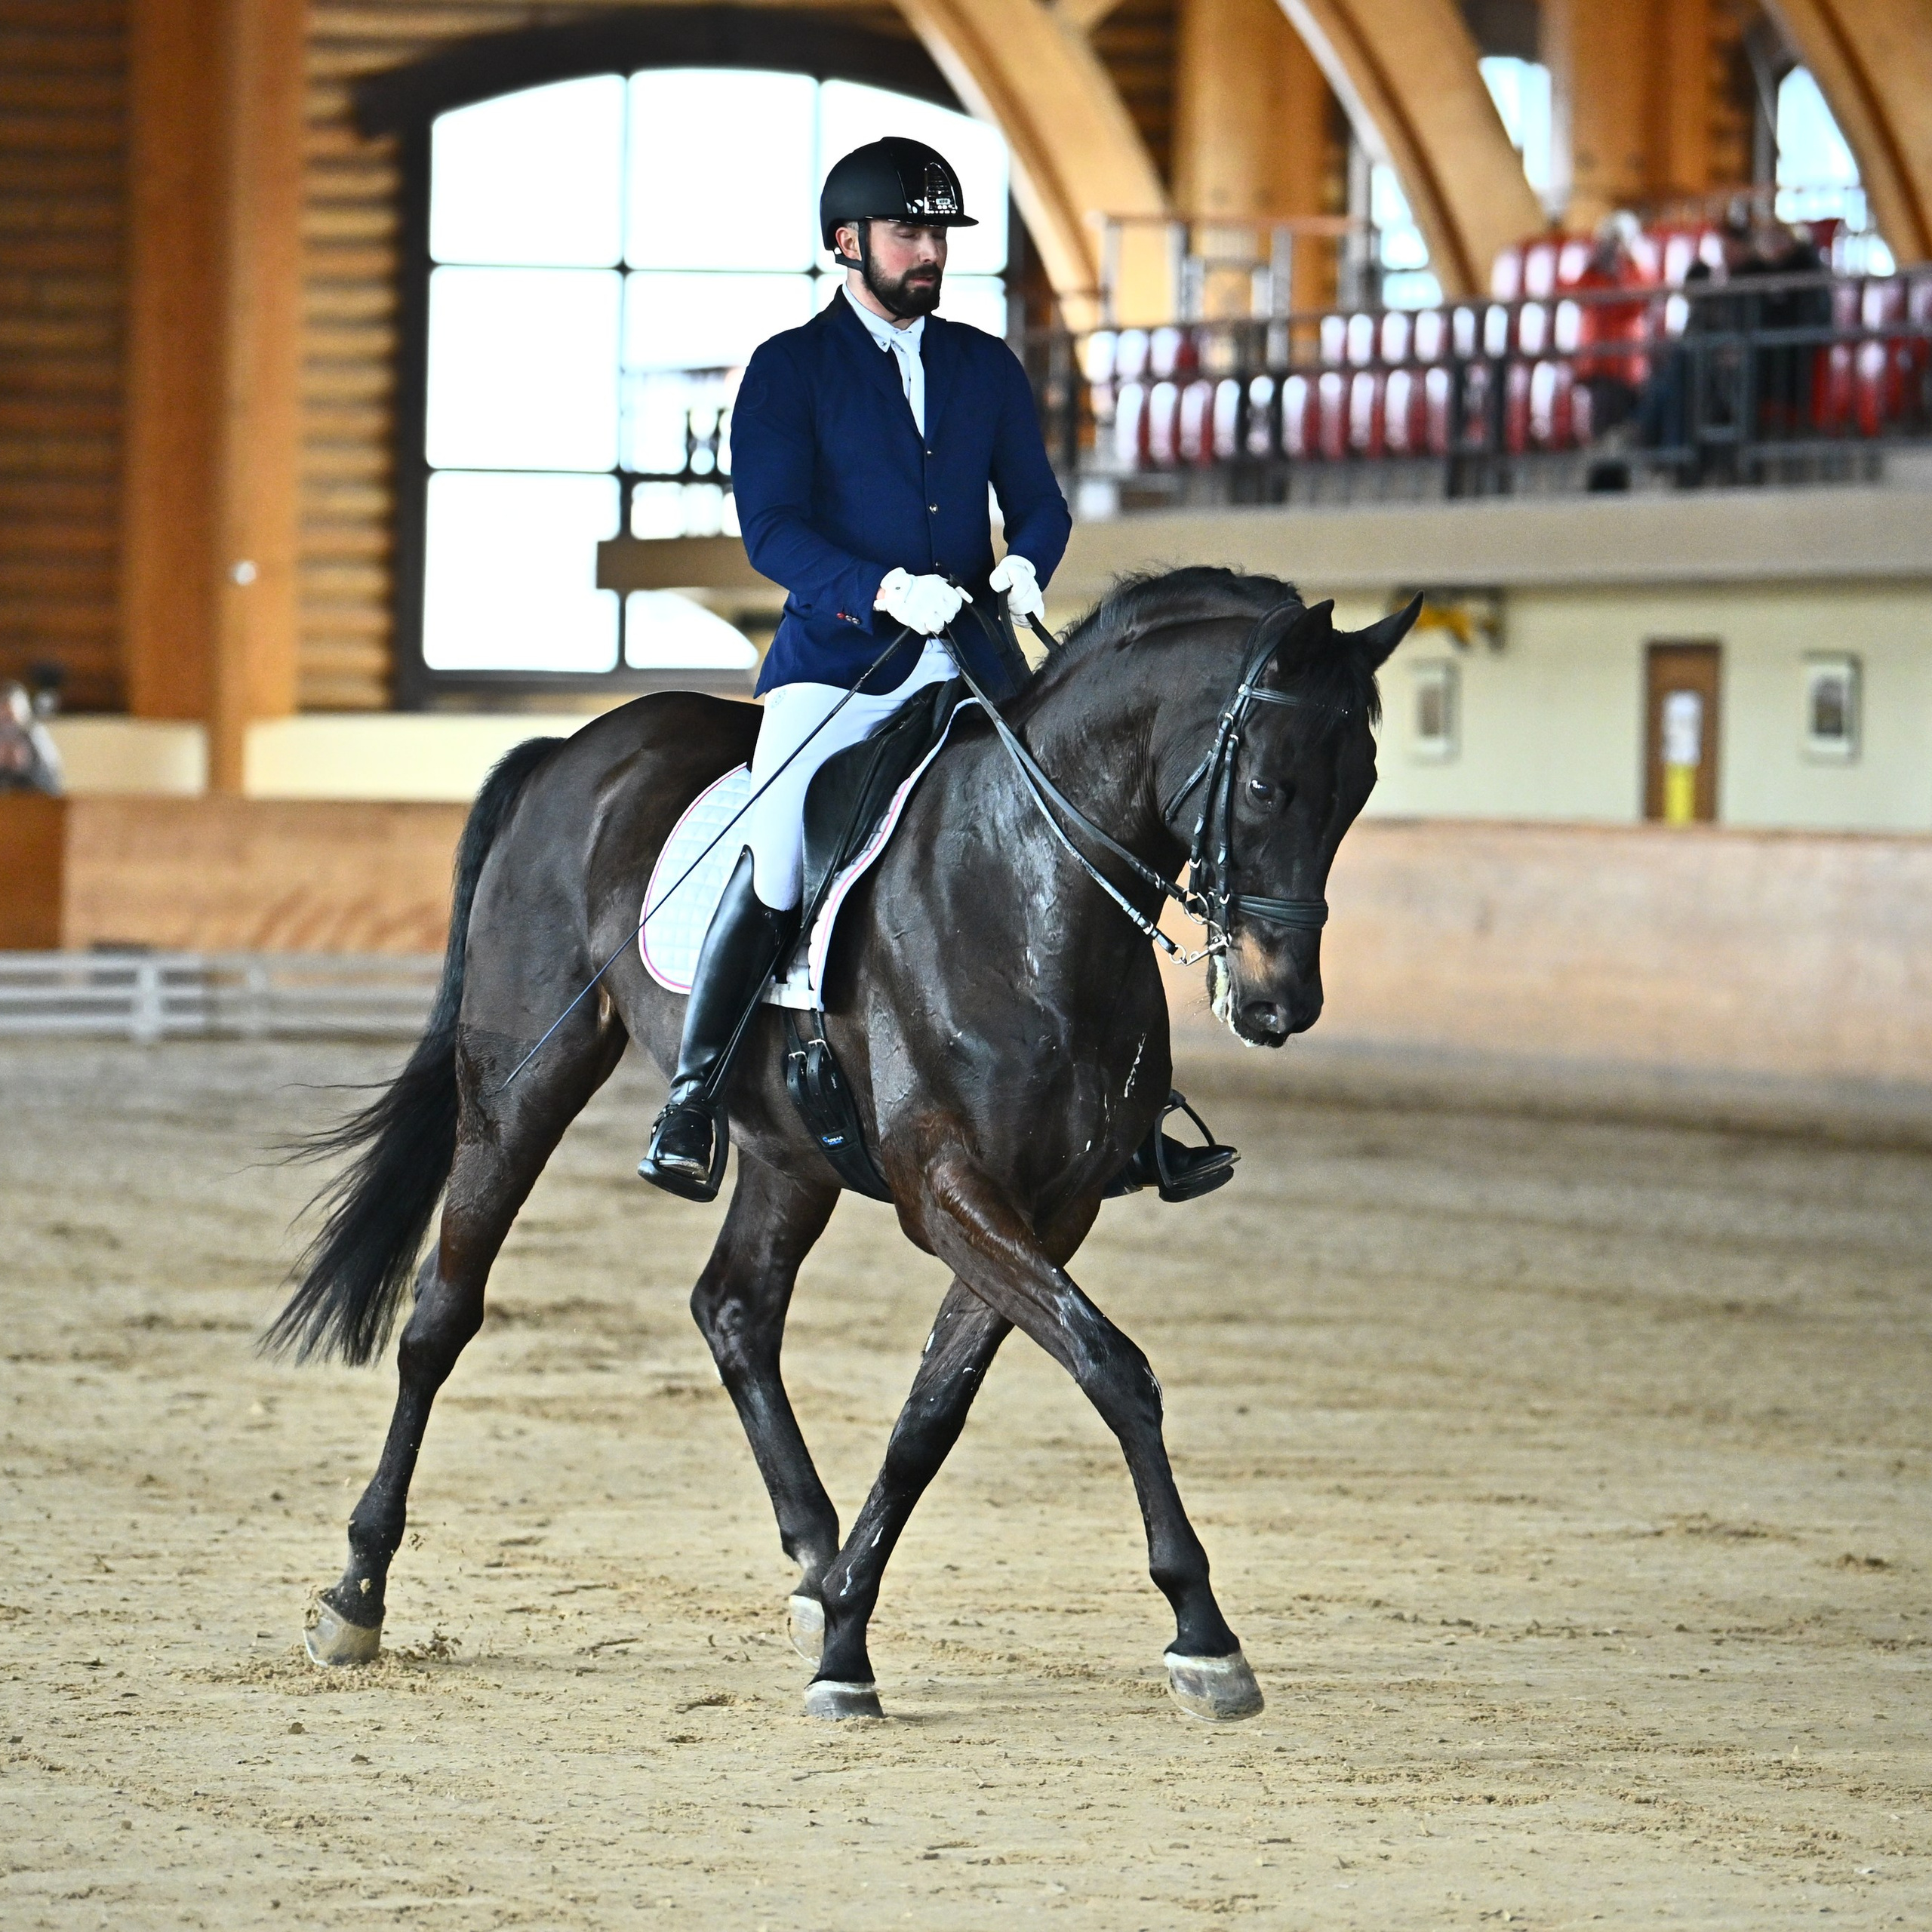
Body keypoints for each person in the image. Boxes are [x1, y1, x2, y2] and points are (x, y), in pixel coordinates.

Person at [638, 137, 1235, 1208]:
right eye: (909, 233)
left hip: (973, 659)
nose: (929, 253)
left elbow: (1041, 502)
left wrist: (1023, 563)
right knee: (778, 853)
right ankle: (692, 1100)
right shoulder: (790, 369)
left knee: (1080, 846)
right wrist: (878, 589)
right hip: (841, 663)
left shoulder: (984, 367)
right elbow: (771, 530)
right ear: (846, 242)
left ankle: (1140, 1116)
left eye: (940, 235)